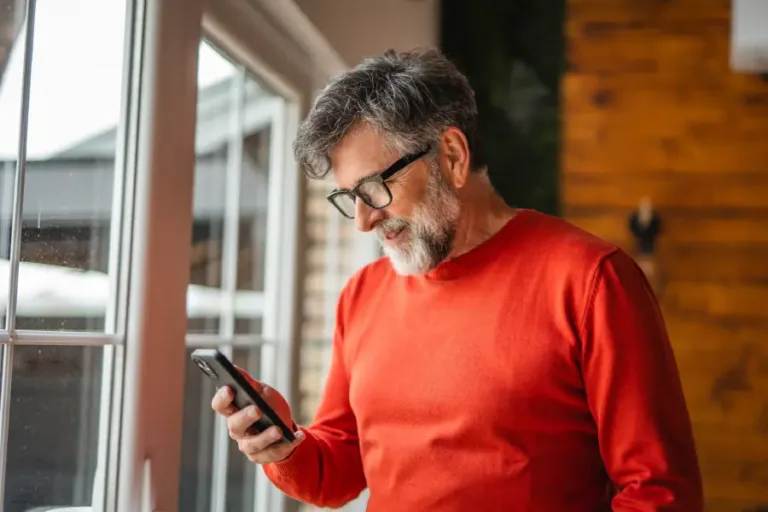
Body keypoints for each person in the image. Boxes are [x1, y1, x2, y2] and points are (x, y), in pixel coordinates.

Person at [211, 48, 703, 511]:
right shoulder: (362, 294)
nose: (362, 221)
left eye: (375, 187)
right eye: (348, 197)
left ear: (451, 155)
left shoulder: (593, 280)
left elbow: (658, 492)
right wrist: (284, 445)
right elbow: (339, 467)